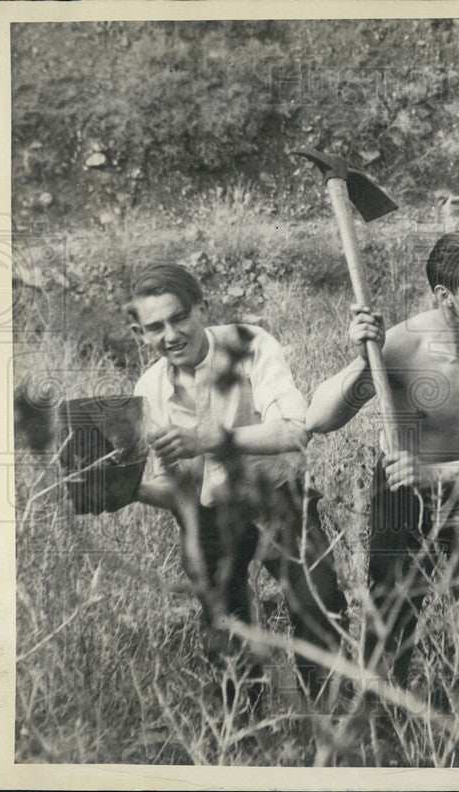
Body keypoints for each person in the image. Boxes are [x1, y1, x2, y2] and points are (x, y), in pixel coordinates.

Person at [306, 230, 459, 685]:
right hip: (400, 491)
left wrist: (433, 472)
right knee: (390, 615)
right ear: (444, 296)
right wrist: (361, 361)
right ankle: (380, 718)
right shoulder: (402, 342)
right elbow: (318, 418)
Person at [129, 263, 346, 697]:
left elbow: (294, 430)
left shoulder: (249, 344)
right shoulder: (148, 389)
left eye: (179, 317)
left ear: (200, 309)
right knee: (225, 628)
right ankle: (247, 728)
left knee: (320, 605)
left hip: (278, 500)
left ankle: (322, 716)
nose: (170, 335)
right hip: (210, 516)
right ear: (140, 334)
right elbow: (177, 494)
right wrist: (127, 490)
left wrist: (208, 440)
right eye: (155, 327)